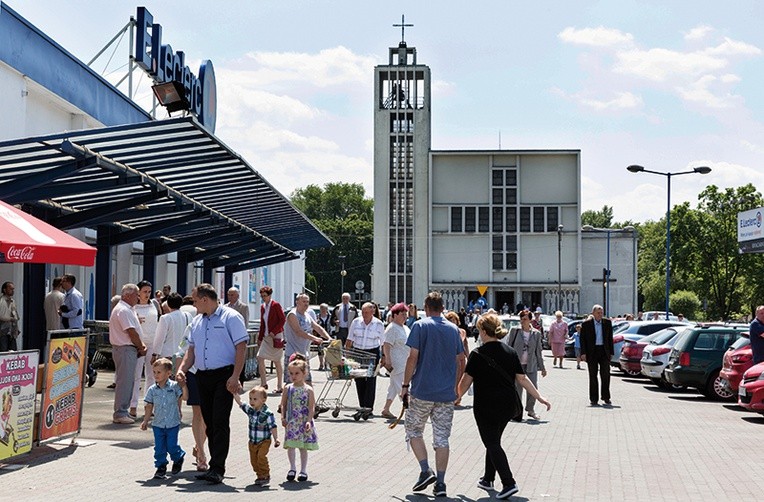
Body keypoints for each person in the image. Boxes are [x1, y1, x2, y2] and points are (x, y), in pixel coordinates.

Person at [457, 312, 551, 500]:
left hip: (486, 406)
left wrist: (455, 397)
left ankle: (509, 483)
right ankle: (488, 479)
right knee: (494, 440)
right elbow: (522, 378)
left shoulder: (477, 354)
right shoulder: (510, 352)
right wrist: (539, 396)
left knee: (491, 442)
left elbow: (466, 381)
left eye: (479, 330)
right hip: (507, 404)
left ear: (484, 331)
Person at [176, 283, 248, 485]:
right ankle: (212, 465)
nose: (193, 303)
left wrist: (236, 376)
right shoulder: (197, 321)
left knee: (219, 421)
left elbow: (241, 346)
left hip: (224, 376)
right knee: (209, 421)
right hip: (202, 376)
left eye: (195, 300)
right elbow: (191, 350)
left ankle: (218, 467)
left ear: (205, 299)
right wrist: (182, 369)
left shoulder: (230, 317)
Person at [401, 291, 466, 498]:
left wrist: (404, 385)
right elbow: (461, 360)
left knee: (413, 428)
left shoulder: (420, 326)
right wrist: (457, 387)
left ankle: (424, 469)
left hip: (422, 390)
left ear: (426, 307)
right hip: (446, 394)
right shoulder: (454, 329)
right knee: (442, 438)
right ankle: (441, 483)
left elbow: (412, 358)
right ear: (443, 307)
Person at [140, 358, 186, 479]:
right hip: (158, 424)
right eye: (154, 372)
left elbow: (184, 397)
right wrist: (145, 421)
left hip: (172, 423)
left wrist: (183, 385)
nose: (156, 375)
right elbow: (149, 406)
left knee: (171, 445)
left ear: (168, 373)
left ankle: (178, 457)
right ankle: (161, 467)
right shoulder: (152, 390)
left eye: (159, 372)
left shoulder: (175, 387)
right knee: (159, 447)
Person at [110, 283, 147, 424]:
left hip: (127, 349)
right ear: (128, 295)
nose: (138, 298)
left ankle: (122, 411)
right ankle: (120, 413)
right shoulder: (124, 310)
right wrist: (141, 346)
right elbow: (131, 331)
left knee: (128, 381)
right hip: (125, 348)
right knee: (125, 382)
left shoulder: (127, 309)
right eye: (136, 295)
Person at [176, 319, 208, 472]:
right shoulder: (192, 326)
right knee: (198, 413)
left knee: (209, 417)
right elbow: (181, 350)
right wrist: (179, 374)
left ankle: (199, 444)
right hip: (194, 373)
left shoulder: (222, 324)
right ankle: (201, 454)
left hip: (214, 372)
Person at [503, 309, 546, 420]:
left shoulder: (536, 333)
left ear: (530, 320)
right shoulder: (514, 331)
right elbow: (508, 347)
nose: (522, 321)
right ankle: (517, 411)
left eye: (525, 319)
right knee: (517, 389)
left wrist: (542, 368)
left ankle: (530, 410)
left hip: (531, 365)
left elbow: (538, 351)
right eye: (521, 319)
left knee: (533, 388)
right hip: (517, 365)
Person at [280, 358, 318, 482]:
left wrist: (309, 420)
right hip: (292, 421)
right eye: (291, 373)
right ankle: (292, 468)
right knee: (291, 445)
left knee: (303, 447)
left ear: (304, 373)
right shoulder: (288, 388)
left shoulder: (308, 390)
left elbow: (311, 406)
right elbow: (283, 404)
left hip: (303, 421)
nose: (293, 376)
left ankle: (303, 470)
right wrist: (283, 417)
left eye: (297, 373)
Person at [234, 386, 280, 486]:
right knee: (254, 461)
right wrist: (234, 393)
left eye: (255, 399)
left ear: (263, 400)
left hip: (264, 441)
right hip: (252, 441)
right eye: (250, 398)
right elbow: (241, 403)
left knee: (261, 457)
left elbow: (273, 426)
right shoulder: (251, 411)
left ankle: (265, 474)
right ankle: (259, 475)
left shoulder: (267, 413)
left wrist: (276, 439)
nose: (252, 401)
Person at [346, 302, 385, 418]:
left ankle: (369, 408)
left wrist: (384, 356)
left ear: (372, 312)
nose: (364, 315)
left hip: (372, 353)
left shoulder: (378, 324)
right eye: (363, 312)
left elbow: (383, 343)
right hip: (358, 353)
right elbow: (349, 339)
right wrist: (347, 355)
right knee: (359, 379)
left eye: (367, 312)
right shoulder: (356, 322)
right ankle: (362, 405)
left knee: (371, 380)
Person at [131, 280, 162, 418]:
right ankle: (133, 406)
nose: (147, 294)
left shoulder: (154, 304)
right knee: (136, 375)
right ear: (138, 292)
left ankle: (149, 405)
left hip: (152, 343)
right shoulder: (133, 307)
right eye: (145, 292)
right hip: (139, 344)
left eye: (149, 292)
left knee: (152, 375)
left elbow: (160, 321)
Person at [284, 294, 329, 386]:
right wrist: (315, 338)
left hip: (304, 354)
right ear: (297, 302)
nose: (306, 304)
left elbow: (318, 328)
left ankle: (309, 400)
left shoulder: (307, 315)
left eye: (307, 302)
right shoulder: (292, 314)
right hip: (293, 354)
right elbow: (298, 331)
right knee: (291, 384)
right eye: (303, 301)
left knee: (308, 383)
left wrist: (329, 338)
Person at [580, 304, 614, 406]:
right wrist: (583, 353)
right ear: (593, 313)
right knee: (593, 376)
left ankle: (606, 397)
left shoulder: (607, 323)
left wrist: (611, 352)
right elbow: (583, 340)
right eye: (598, 313)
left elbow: (610, 339)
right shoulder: (586, 324)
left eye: (601, 313)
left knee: (606, 375)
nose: (600, 314)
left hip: (604, 351)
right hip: (592, 352)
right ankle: (594, 399)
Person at [381, 302, 410, 419]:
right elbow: (386, 345)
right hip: (397, 363)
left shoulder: (405, 328)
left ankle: (386, 409)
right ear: (395, 315)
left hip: (405, 361)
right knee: (401, 387)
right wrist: (388, 360)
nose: (405, 316)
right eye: (402, 314)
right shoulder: (392, 328)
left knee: (393, 386)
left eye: (406, 314)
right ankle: (410, 410)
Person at [257, 286, 286, 393]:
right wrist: (260, 338)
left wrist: (274, 331)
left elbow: (282, 319)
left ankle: (279, 385)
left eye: (265, 296)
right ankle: (263, 383)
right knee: (260, 357)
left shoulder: (276, 305)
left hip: (276, 336)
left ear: (269, 295)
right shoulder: (263, 307)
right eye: (262, 296)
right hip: (266, 337)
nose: (263, 298)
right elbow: (262, 323)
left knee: (277, 361)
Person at [154, 293, 191, 361]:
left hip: (167, 355)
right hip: (183, 354)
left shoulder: (165, 318)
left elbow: (159, 337)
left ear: (168, 304)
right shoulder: (188, 315)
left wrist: (155, 353)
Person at [0, 282, 20, 352]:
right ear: (4, 290)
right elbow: (1, 316)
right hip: (3, 332)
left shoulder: (12, 301)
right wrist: (11, 319)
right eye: (10, 288)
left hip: (11, 331)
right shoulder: (1, 301)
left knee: (13, 352)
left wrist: (16, 329)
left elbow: (15, 315)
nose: (12, 290)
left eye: (13, 289)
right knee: (3, 351)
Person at [315, 303, 332, 370]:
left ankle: (326, 364)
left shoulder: (330, 316)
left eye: (324, 308)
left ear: (327, 309)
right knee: (320, 350)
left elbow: (333, 323)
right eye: (321, 308)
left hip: (328, 335)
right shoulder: (317, 316)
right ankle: (321, 364)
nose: (323, 310)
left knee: (328, 351)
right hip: (320, 336)